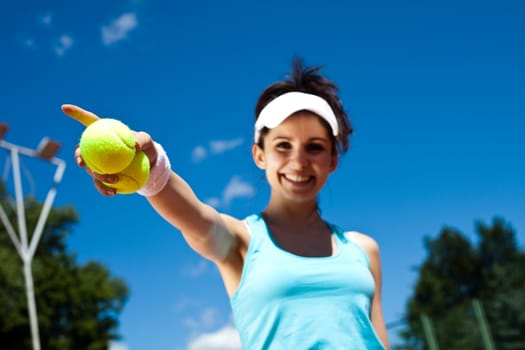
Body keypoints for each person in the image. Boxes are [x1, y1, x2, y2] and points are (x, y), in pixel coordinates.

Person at [63, 57, 390, 350]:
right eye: (283, 145)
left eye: (315, 147)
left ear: (333, 158)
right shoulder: (241, 242)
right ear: (259, 155)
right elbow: (191, 215)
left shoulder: (364, 250)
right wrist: (149, 163)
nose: (298, 160)